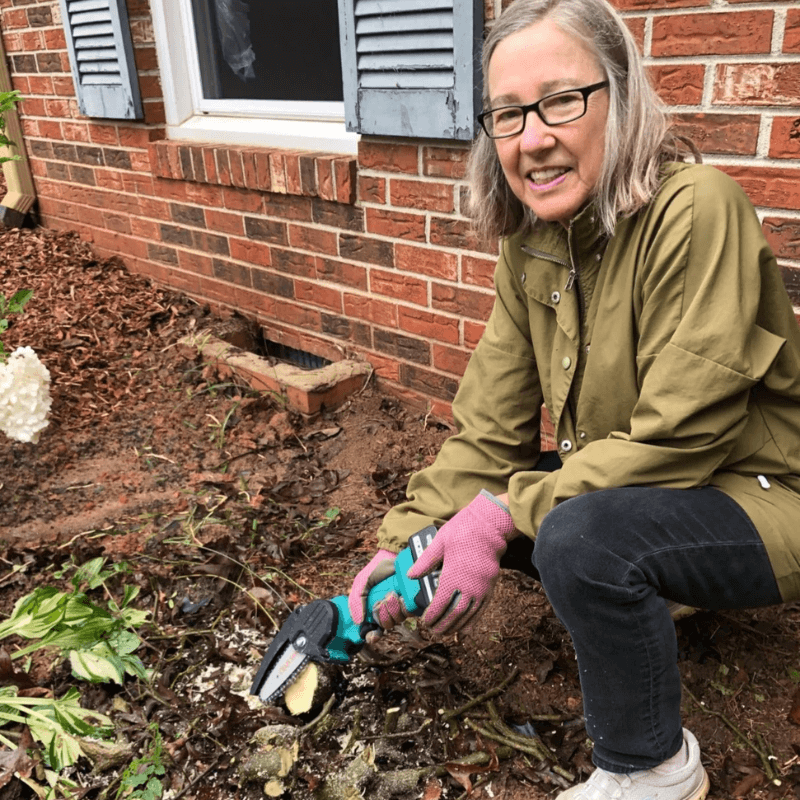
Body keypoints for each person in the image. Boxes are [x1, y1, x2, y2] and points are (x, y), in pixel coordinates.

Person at [348, 0, 800, 797]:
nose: (533, 138)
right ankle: (628, 594)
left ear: (620, 97)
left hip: (763, 496)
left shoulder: (696, 211)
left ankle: (652, 769)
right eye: (509, 114)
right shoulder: (531, 248)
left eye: (561, 100)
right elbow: (489, 433)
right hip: (654, 501)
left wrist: (504, 517)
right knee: (511, 510)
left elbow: (679, 440)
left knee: (574, 533)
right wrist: (407, 542)